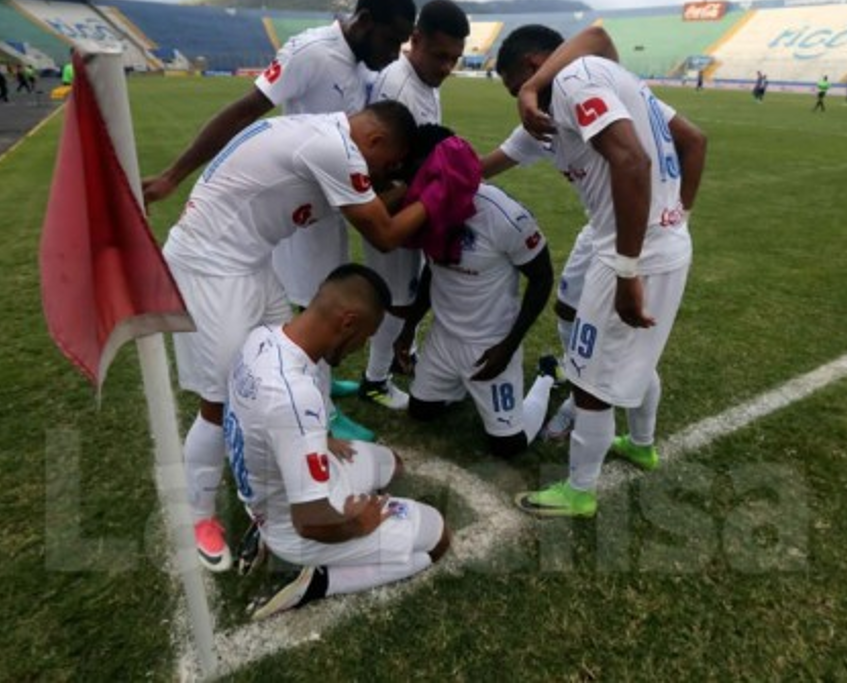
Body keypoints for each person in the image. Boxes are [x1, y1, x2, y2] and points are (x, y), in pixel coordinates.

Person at [162, 100, 435, 571]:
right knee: (222, 399)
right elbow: (384, 232)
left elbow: (368, 206)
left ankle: (310, 436)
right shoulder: (335, 148)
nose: (379, 175)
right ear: (374, 141)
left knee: (294, 349)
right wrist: (436, 193)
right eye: (386, 164)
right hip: (211, 267)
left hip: (247, 259)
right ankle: (197, 517)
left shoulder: (325, 134)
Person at [142, 0, 417, 442]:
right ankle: (317, 414)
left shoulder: (363, 69)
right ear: (365, 22)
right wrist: (174, 174)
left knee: (298, 326)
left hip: (309, 207)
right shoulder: (312, 52)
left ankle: (312, 399)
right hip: (278, 217)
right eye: (392, 41)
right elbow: (245, 111)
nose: (394, 55)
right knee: (313, 314)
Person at [495, 25, 707, 517]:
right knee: (628, 356)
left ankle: (579, 490)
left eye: (517, 90)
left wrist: (630, 267)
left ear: (532, 66)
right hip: (655, 242)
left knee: (589, 377)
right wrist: (675, 218)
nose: (523, 107)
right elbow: (694, 141)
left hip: (630, 253)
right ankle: (641, 444)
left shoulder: (572, 82)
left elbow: (631, 163)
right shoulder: (606, 74)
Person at [225, 264, 451, 619]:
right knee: (437, 539)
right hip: (298, 527)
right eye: (366, 335)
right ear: (348, 323)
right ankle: (313, 579)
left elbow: (266, 421)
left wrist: (315, 439)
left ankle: (271, 529)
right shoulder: (294, 397)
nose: (362, 347)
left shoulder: (263, 337)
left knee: (390, 464)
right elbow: (311, 523)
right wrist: (358, 523)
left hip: (275, 487)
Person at [355, 0, 470, 412]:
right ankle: (375, 379)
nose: (446, 67)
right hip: (391, 205)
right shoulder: (400, 87)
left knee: (411, 288)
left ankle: (402, 355)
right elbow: (385, 168)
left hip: (408, 200)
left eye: (454, 59)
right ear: (414, 41)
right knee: (397, 298)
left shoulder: (423, 81)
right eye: (439, 56)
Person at [397, 178, 557, 458]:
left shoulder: (502, 214)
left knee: (508, 446)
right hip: (444, 339)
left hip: (490, 344)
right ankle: (460, 382)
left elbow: (542, 278)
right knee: (421, 411)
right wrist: (409, 326)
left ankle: (546, 376)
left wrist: (507, 347)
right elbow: (432, 268)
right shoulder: (425, 206)